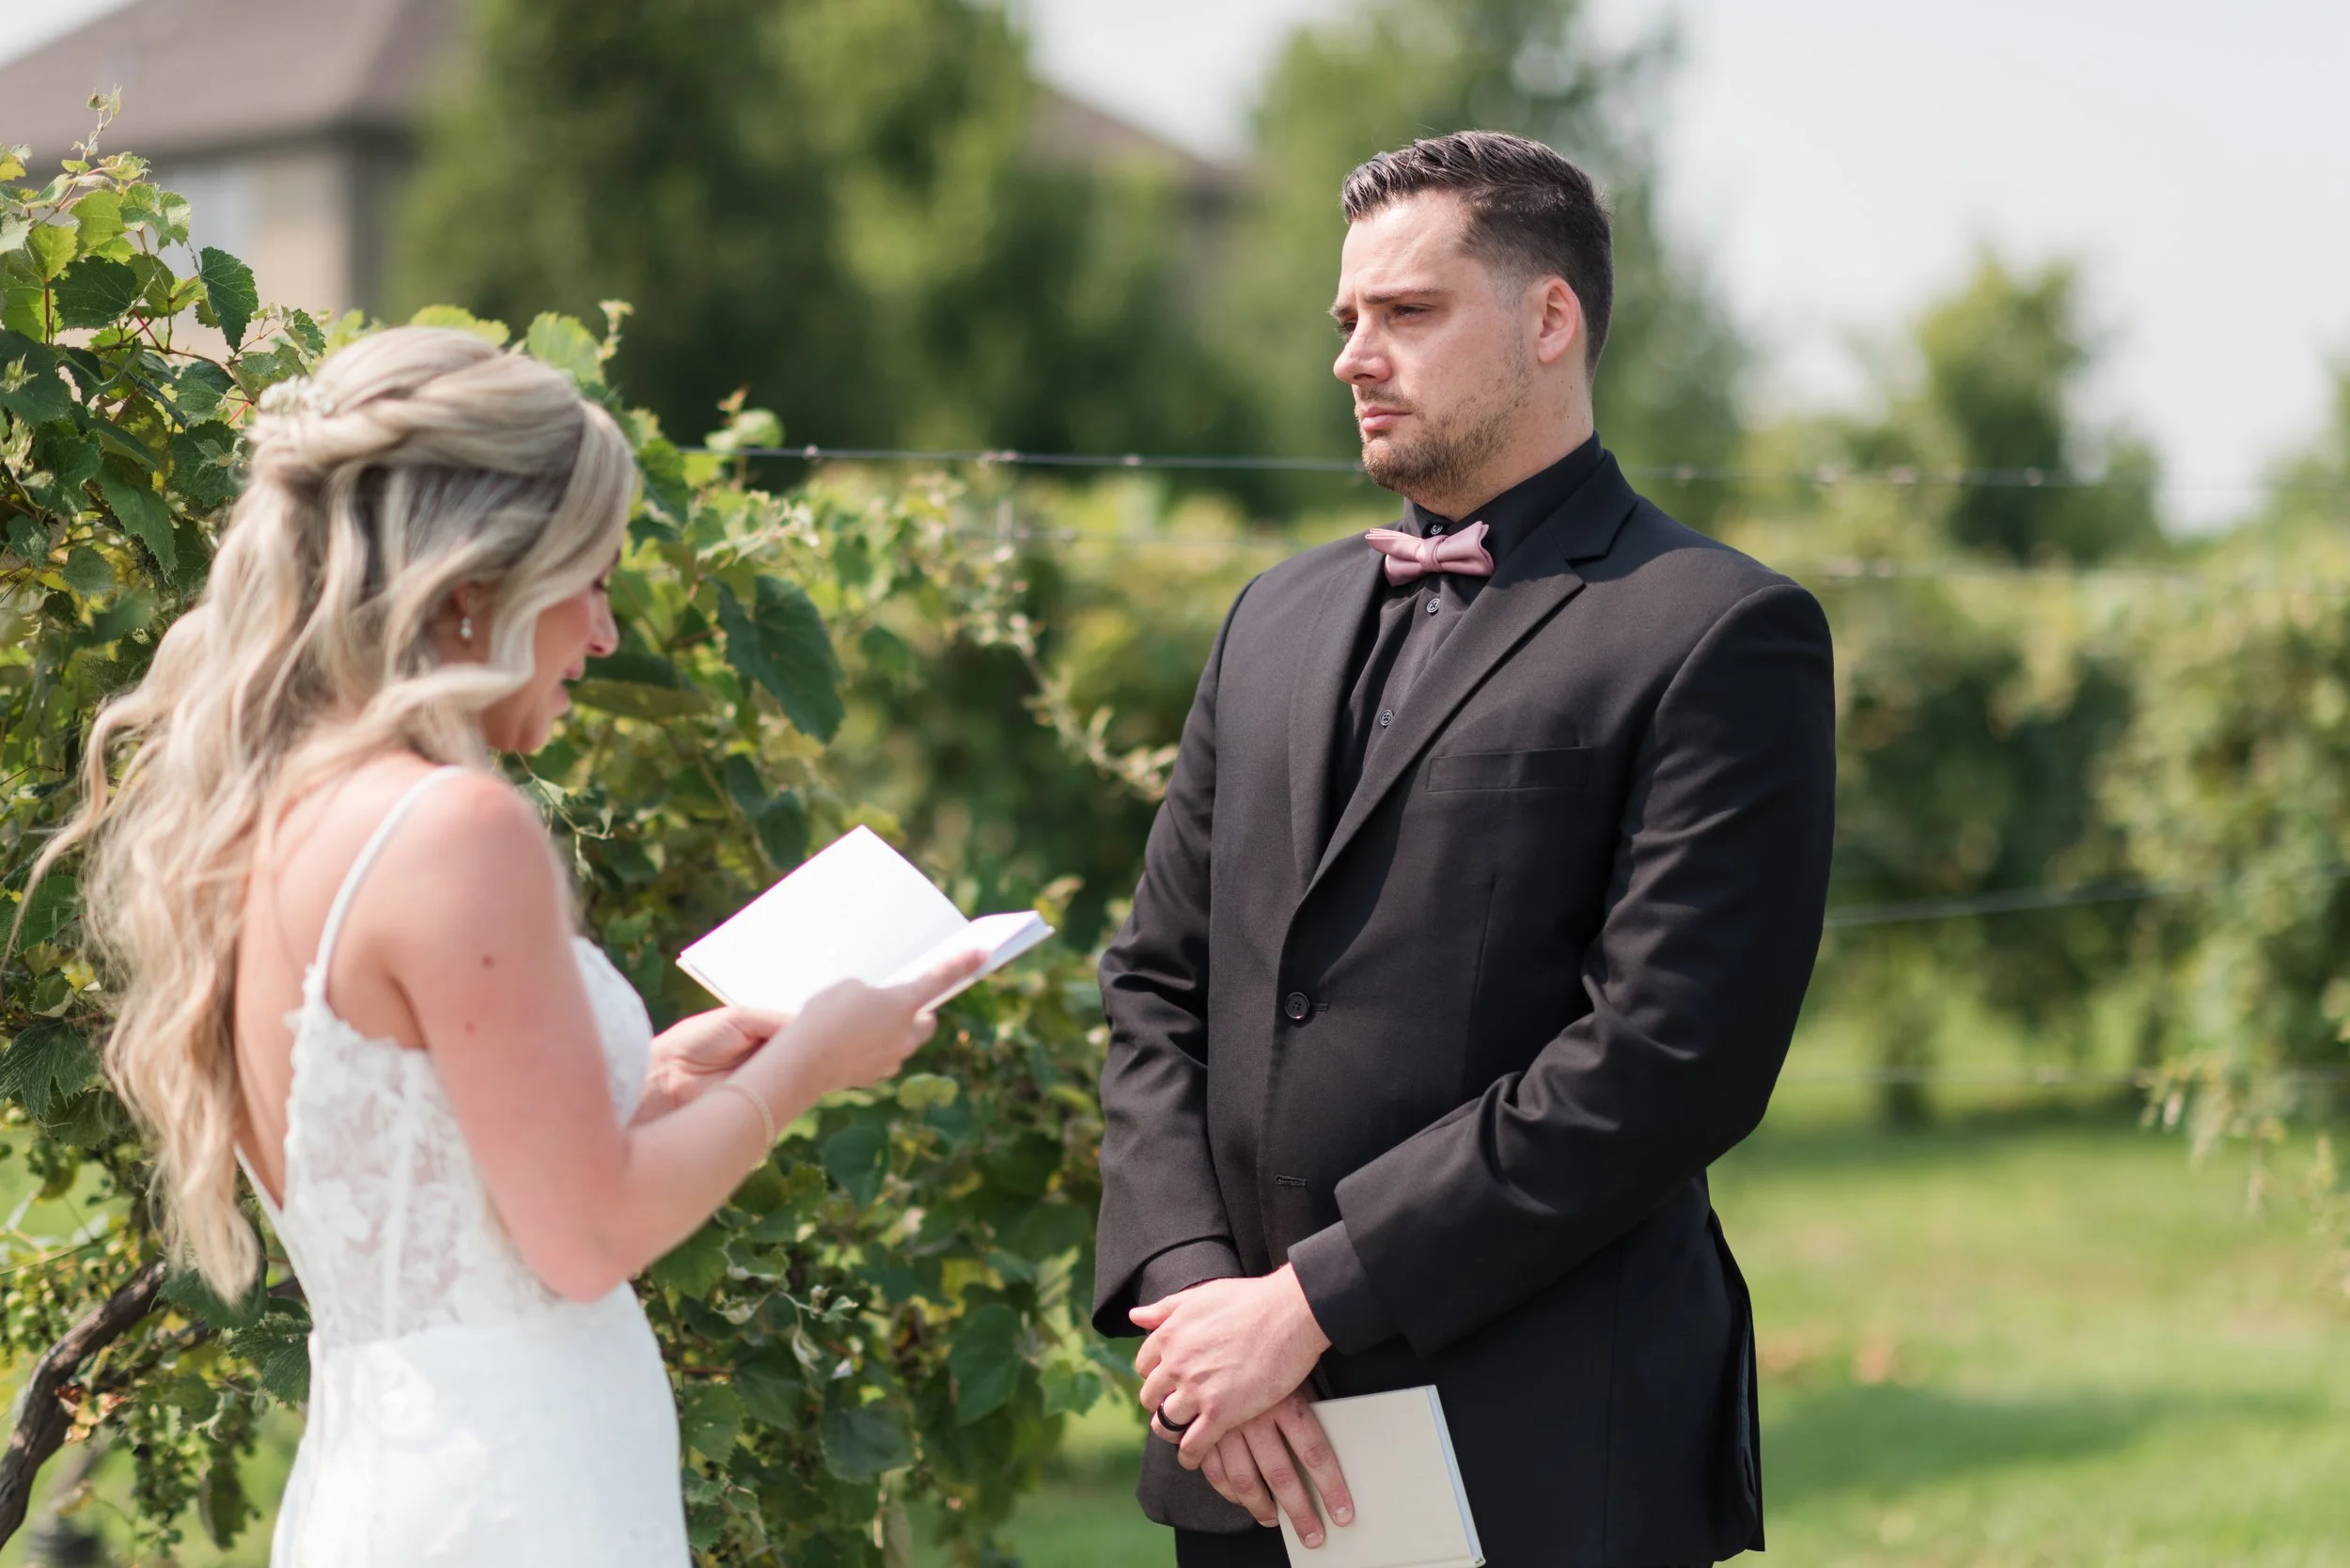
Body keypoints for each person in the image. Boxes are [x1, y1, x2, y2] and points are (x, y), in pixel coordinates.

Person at [36, 327, 982, 1565]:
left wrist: (656, 1088)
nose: (600, 633)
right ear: (476, 583)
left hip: (385, 1476)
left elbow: (434, 1182)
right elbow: (583, 1239)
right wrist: (804, 1064)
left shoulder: (275, 825)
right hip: (518, 1496)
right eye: (587, 580)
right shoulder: (456, 832)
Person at [1092, 131, 1837, 1566]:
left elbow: (1670, 1059)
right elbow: (1158, 985)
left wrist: (1307, 1304)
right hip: (1244, 1443)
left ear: (1551, 319)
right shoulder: (1272, 620)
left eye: (1409, 313)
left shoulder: (1717, 631)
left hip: (1539, 1444)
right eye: (1348, 319)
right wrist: (1200, 1314)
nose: (1355, 356)